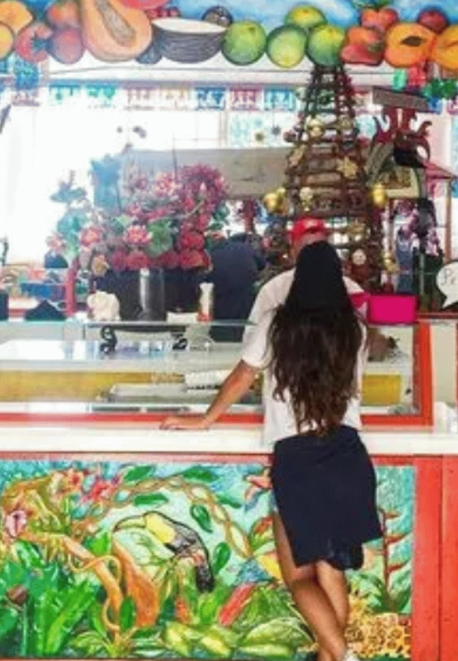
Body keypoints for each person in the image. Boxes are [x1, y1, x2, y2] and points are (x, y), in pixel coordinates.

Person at [163, 232, 379, 661]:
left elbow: (242, 376)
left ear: (298, 279)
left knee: (299, 577)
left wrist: (205, 419)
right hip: (348, 454)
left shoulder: (277, 325)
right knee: (332, 571)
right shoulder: (355, 329)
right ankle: (338, 656)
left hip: (297, 459)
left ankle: (344, 656)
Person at [206, 232, 263, 340]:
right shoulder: (246, 248)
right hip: (246, 293)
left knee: (223, 323)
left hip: (222, 294)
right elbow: (262, 264)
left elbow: (206, 276)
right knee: (244, 322)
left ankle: (221, 340)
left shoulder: (212, 252)